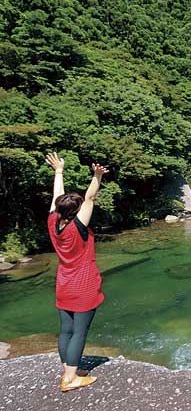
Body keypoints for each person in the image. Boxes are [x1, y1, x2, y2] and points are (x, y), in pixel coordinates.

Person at [45, 152, 109, 392]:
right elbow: (90, 197)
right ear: (76, 212)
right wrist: (97, 176)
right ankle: (71, 379)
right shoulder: (77, 228)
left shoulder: (54, 223)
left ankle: (68, 369)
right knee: (80, 332)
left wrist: (59, 171)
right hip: (83, 286)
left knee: (66, 330)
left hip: (64, 283)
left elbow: (56, 198)